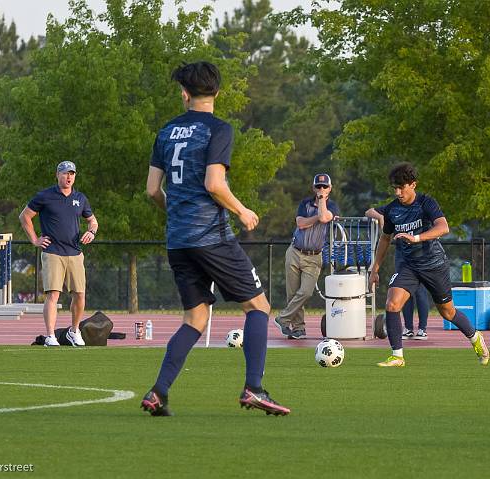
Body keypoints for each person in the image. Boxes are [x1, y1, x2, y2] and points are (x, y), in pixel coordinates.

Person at [141, 61, 290, 417]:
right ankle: (253, 388)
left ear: (184, 93)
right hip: (211, 236)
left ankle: (158, 392)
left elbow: (151, 191)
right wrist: (242, 211)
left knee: (195, 319)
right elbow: (214, 184)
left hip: (177, 240)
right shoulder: (218, 130)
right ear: (218, 93)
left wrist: (178, 212)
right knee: (259, 307)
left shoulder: (165, 132)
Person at [368, 163, 489, 367]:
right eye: (394, 188)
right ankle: (397, 356)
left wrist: (416, 238)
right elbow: (385, 239)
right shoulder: (391, 210)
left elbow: (443, 227)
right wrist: (375, 268)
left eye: (402, 187)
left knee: (447, 312)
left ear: (413, 184)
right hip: (409, 266)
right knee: (392, 303)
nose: (398, 192)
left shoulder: (426, 203)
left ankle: (475, 337)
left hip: (434, 264)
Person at [19, 161, 98, 347]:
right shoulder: (45, 196)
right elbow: (24, 216)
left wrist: (91, 232)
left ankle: (74, 331)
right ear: (57, 175)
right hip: (53, 252)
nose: (68, 177)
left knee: (79, 295)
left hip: (75, 253)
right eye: (65, 173)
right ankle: (50, 336)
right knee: (53, 294)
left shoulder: (80, 198)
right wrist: (34, 239)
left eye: (72, 174)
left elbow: (93, 221)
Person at [274, 174, 340, 339]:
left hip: (314, 256)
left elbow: (325, 217)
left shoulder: (333, 205)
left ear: (330, 189)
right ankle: (298, 329)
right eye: (318, 186)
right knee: (293, 293)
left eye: (325, 187)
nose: (321, 189)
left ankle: (282, 319)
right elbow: (301, 223)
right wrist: (318, 217)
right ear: (313, 188)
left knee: (306, 292)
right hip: (295, 251)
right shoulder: (305, 203)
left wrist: (322, 204)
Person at [365, 206, 430, 340]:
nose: (400, 193)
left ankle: (422, 329)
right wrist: (381, 217)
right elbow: (369, 211)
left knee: (420, 291)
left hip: (420, 254)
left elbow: (438, 226)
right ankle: (408, 328)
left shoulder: (420, 206)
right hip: (402, 255)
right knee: (403, 291)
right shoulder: (394, 207)